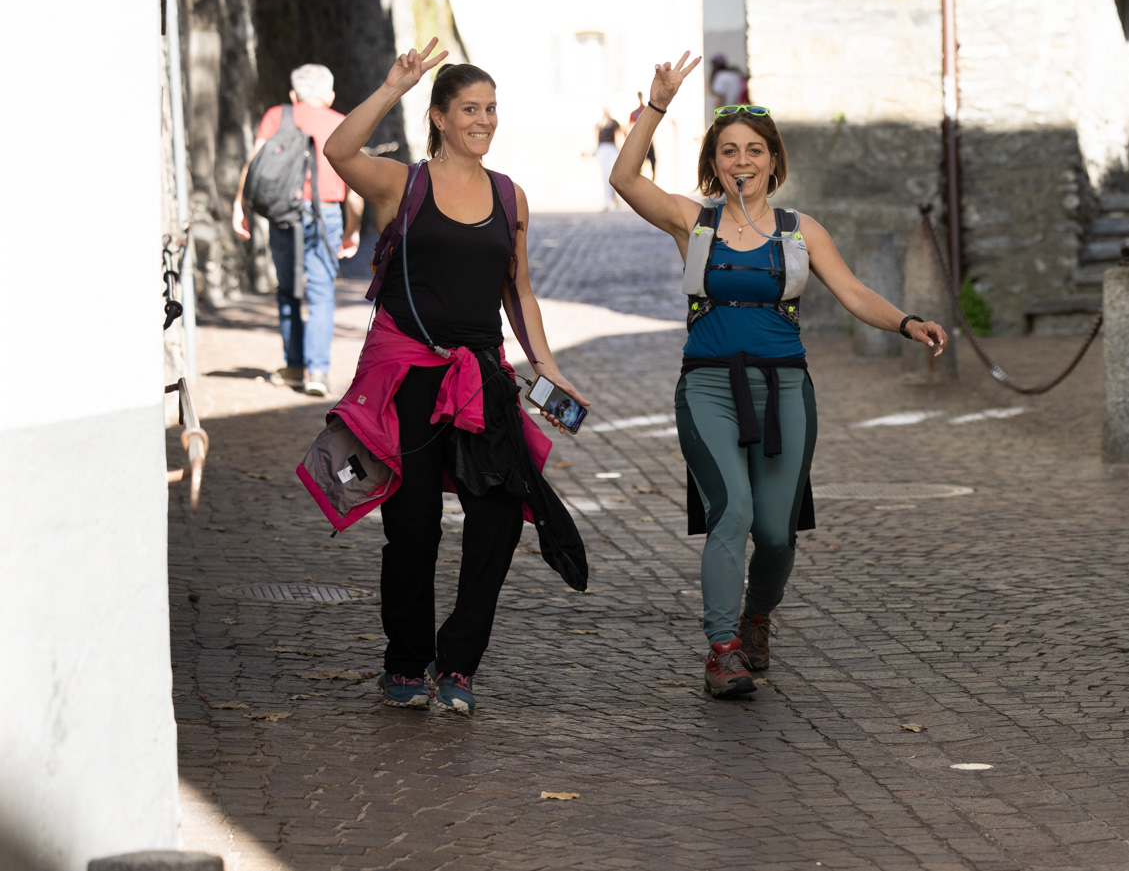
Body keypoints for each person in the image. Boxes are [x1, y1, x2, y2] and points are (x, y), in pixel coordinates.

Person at [609, 52, 948, 698]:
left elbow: (854, 293)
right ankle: (722, 650)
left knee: (775, 531)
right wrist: (657, 106)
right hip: (708, 385)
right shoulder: (693, 221)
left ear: (773, 161)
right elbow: (624, 178)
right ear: (715, 162)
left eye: (754, 150)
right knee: (732, 509)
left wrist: (909, 322)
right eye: (729, 151)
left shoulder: (801, 231)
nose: (742, 161)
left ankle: (756, 618)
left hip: (785, 388)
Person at [320, 39, 591, 718]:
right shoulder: (403, 185)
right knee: (413, 526)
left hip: (481, 378)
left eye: (491, 108)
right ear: (439, 117)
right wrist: (392, 86)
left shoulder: (509, 195)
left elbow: (518, 291)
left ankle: (460, 661)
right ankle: (405, 661)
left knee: (497, 518)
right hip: (408, 375)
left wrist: (547, 369)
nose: (484, 119)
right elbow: (339, 152)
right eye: (470, 108)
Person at [232, 63, 364, 396]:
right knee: (321, 294)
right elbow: (356, 188)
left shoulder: (278, 115)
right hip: (326, 215)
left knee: (288, 291)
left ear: (294, 94)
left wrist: (240, 206)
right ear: (330, 95)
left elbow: (254, 164)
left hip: (283, 214)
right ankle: (317, 373)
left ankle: (293, 367)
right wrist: (353, 230)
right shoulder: (344, 123)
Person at [589, 109, 625, 209]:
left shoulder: (614, 123)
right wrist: (593, 151)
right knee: (605, 176)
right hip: (602, 149)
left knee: (612, 174)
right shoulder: (599, 124)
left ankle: (613, 197)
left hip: (612, 149)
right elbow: (596, 139)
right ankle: (607, 200)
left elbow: (622, 134)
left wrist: (623, 149)